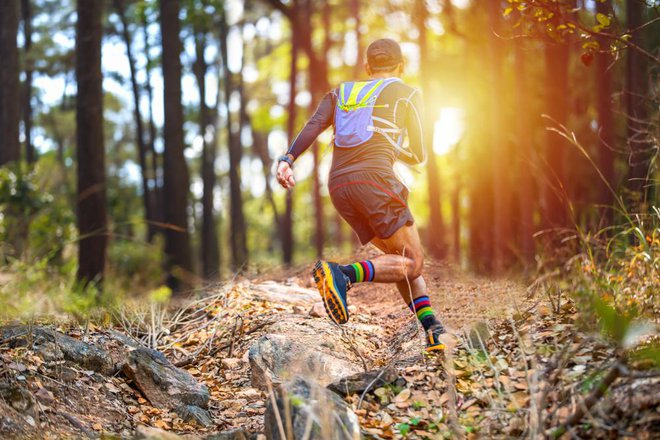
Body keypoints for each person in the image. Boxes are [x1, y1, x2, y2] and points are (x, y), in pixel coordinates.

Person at [275, 38, 446, 352]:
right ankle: (342, 274)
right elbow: (419, 152)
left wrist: (287, 159)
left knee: (400, 260)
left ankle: (434, 332)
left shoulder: (342, 92)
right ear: (401, 66)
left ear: (367, 68)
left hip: (339, 186)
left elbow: (314, 124)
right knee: (414, 263)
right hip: (376, 182)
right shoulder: (407, 93)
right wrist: (397, 150)